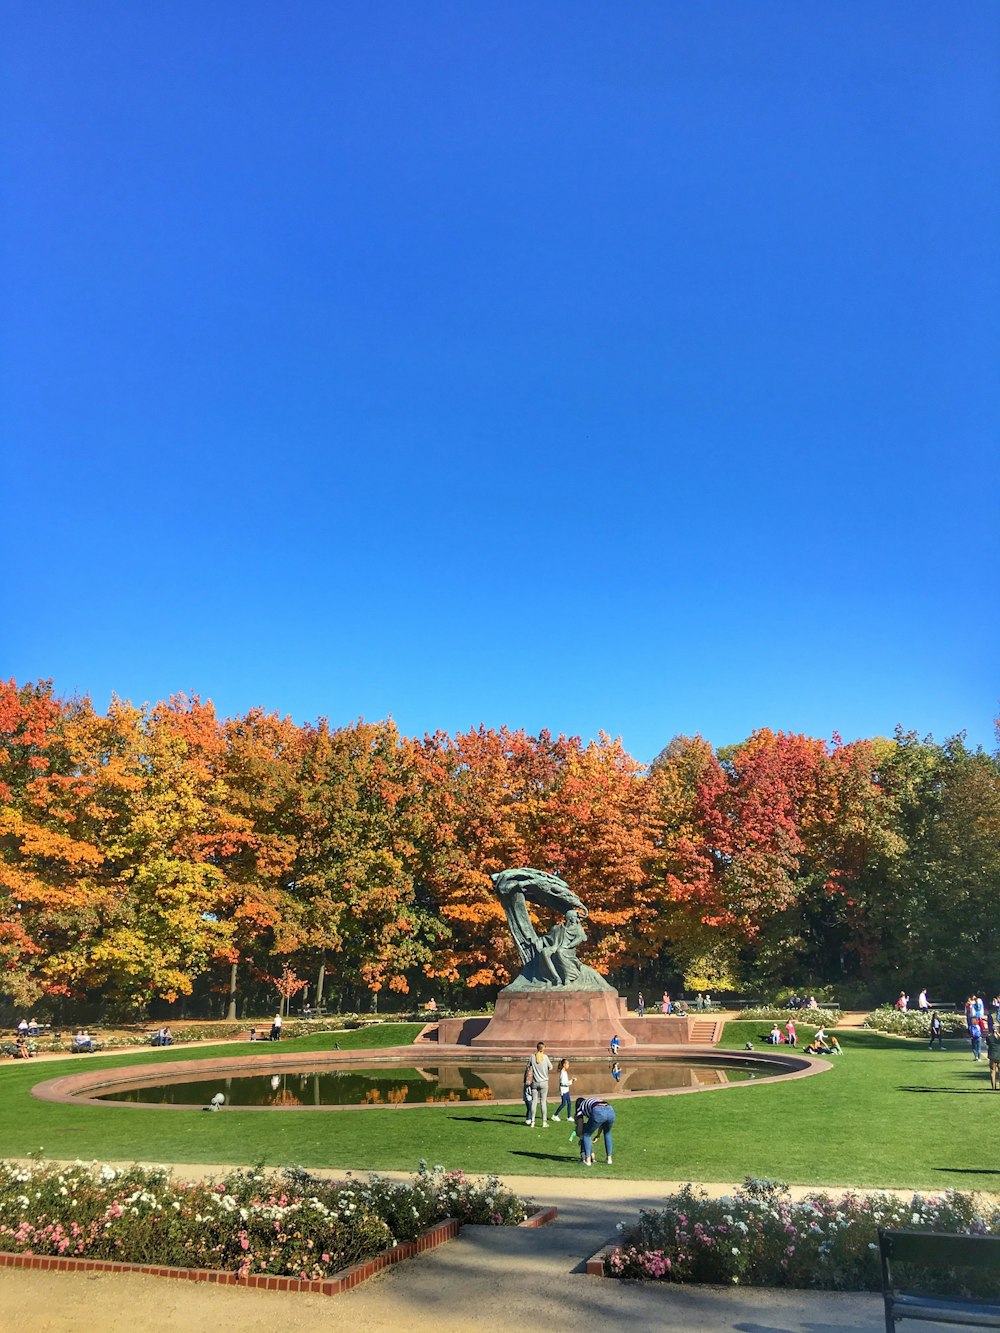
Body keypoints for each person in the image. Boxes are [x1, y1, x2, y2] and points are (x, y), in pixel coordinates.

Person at [575, 1095, 615, 1166]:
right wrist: (598, 1135)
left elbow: (580, 1127)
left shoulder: (580, 1107)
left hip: (598, 1110)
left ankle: (588, 1160)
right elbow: (601, 1122)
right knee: (607, 1133)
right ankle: (609, 1159)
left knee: (586, 1135)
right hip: (610, 1109)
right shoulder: (591, 1101)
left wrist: (581, 1137)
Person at [525, 1041, 552, 1127]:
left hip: (535, 1082)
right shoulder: (545, 1057)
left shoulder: (532, 1057)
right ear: (543, 1048)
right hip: (544, 1082)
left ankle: (532, 1122)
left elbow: (528, 1067)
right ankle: (544, 1122)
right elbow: (551, 1067)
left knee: (534, 1102)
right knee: (543, 1102)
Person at [987, 1027, 1000, 1091]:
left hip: (992, 1056)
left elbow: (987, 1043)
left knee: (992, 1072)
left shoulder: (989, 1037)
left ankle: (993, 1087)